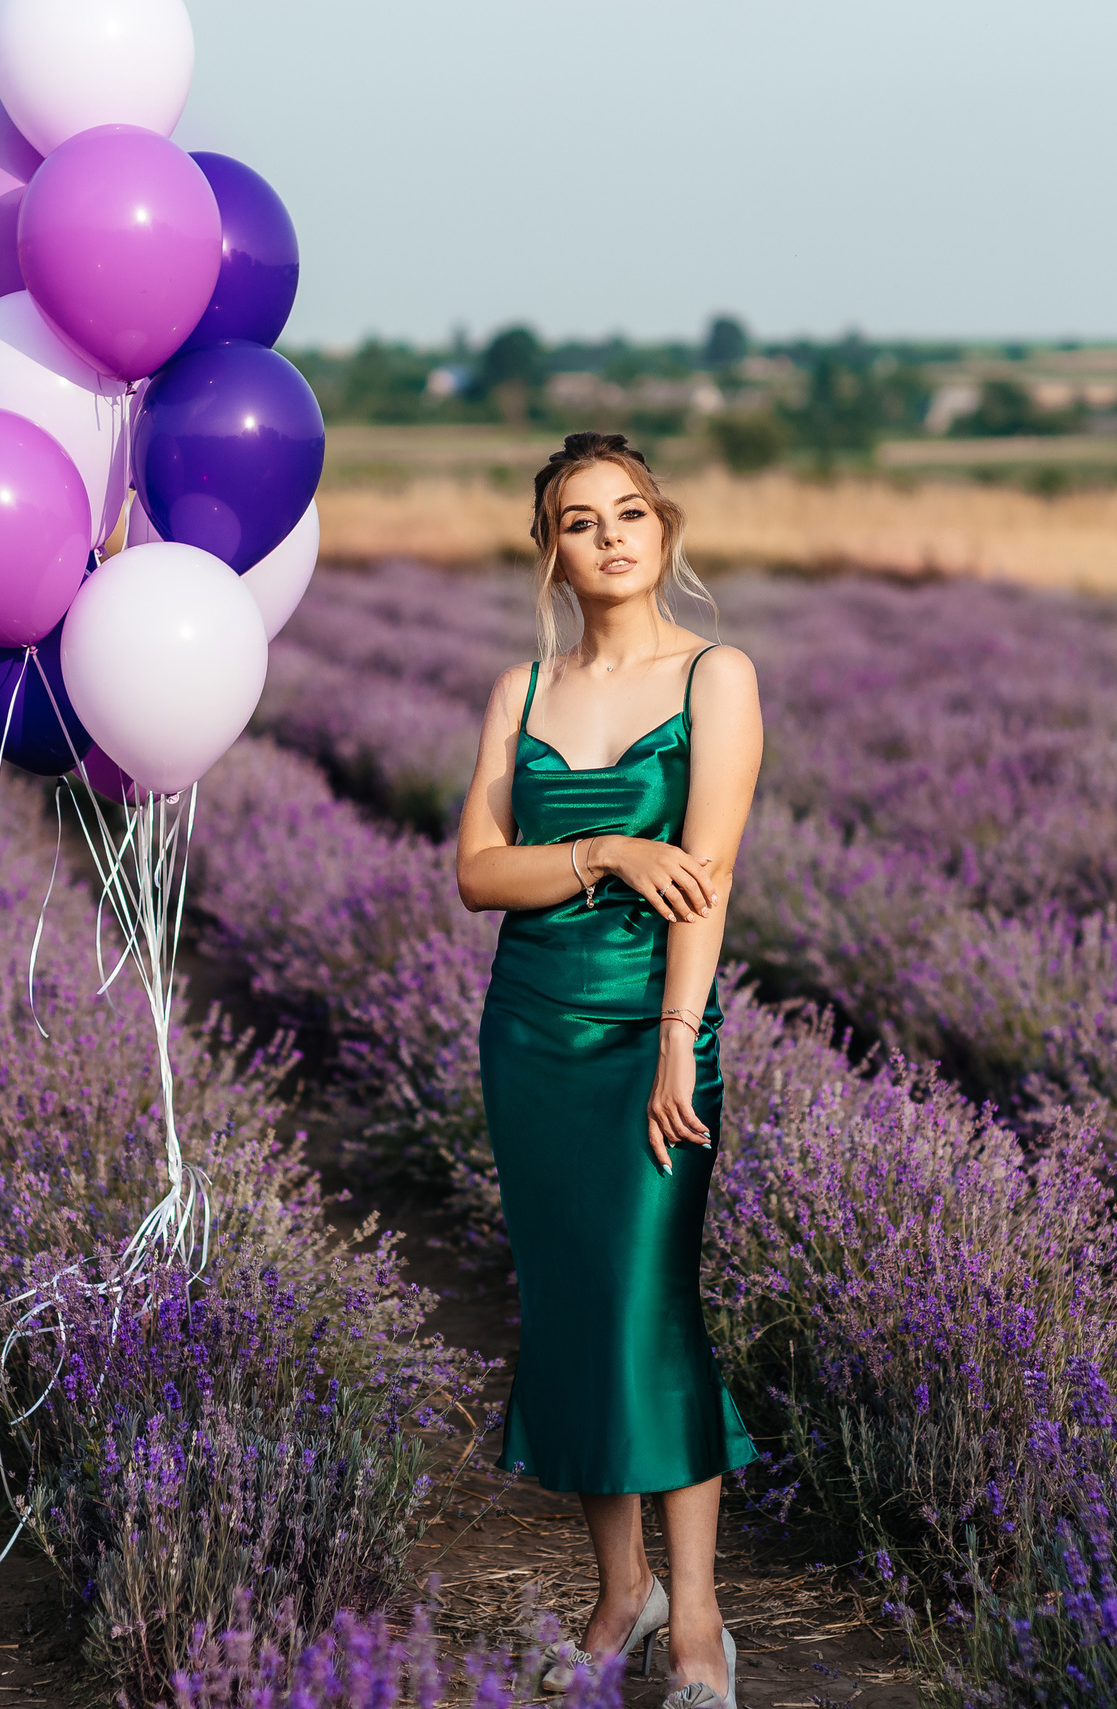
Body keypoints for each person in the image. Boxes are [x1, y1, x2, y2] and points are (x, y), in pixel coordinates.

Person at [455, 431, 763, 1709]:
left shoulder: (716, 675)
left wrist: (680, 1041)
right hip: (530, 1032)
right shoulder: (520, 693)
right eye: (581, 520)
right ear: (552, 548)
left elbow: (710, 873)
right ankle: (615, 1593)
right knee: (577, 1311)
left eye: (629, 511)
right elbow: (478, 871)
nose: (611, 536)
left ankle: (696, 1624)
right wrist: (603, 855)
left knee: (652, 1309)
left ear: (664, 527)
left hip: (650, 1028)